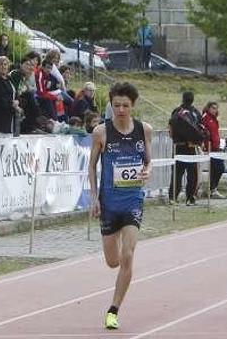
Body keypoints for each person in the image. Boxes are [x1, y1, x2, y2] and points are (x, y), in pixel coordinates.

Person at [88, 82, 152, 331]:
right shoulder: (101, 132)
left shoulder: (143, 130)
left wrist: (147, 171)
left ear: (133, 105)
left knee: (128, 255)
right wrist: (94, 197)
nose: (121, 110)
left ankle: (113, 310)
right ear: (111, 105)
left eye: (125, 105)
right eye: (116, 105)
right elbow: (92, 166)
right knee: (112, 261)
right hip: (109, 203)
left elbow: (149, 161)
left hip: (133, 201)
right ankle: (114, 247)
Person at [168, 91, 206, 205]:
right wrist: (199, 142)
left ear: (183, 99)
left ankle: (173, 198)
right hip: (191, 147)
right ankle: (190, 198)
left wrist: (174, 138)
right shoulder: (195, 113)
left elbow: (170, 128)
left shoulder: (177, 111)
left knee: (176, 174)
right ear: (193, 99)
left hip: (178, 147)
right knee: (192, 174)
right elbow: (201, 129)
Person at [0, 56, 19, 134]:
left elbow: (15, 92)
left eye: (5, 64)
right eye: (1, 64)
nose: (3, 66)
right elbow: (0, 98)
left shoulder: (9, 79)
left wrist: (17, 101)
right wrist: (12, 104)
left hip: (9, 115)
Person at [201, 101, 224, 198]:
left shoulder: (214, 119)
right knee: (217, 167)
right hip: (210, 148)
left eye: (216, 108)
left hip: (216, 147)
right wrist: (205, 145)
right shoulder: (205, 118)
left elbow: (215, 133)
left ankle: (213, 188)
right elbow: (203, 131)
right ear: (208, 108)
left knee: (218, 168)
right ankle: (212, 189)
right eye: (213, 108)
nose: (215, 110)